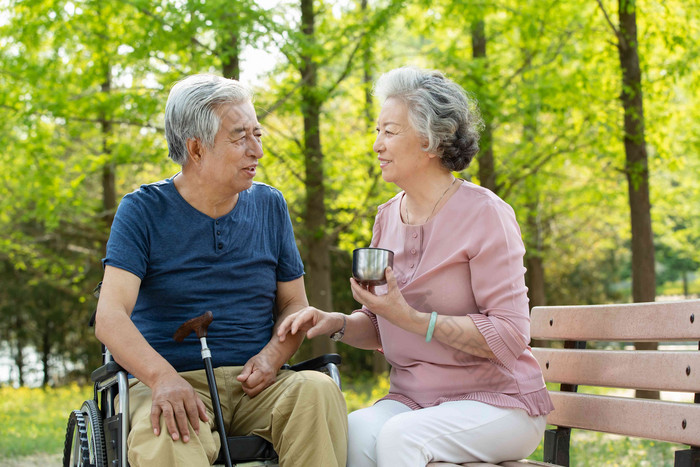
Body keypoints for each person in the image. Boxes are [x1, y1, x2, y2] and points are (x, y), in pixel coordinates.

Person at [277, 66, 554, 466]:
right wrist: (335, 322)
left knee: (401, 439)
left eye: (389, 132)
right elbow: (379, 324)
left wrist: (412, 318)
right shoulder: (386, 217)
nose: (376, 145)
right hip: (414, 400)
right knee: (352, 432)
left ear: (430, 141)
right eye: (377, 131)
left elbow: (512, 336)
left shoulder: (486, 214)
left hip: (499, 404)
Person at [94, 73, 347, 467]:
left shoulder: (270, 206)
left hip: (260, 382)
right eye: (240, 137)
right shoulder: (142, 211)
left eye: (257, 134)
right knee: (165, 433)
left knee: (317, 392)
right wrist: (162, 378)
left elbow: (295, 304)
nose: (257, 150)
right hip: (175, 381)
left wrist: (272, 358)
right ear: (196, 148)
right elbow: (109, 317)